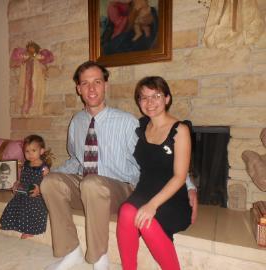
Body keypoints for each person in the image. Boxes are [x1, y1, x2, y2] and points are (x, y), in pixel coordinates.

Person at [40, 61, 198, 270]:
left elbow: (155, 159)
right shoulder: (76, 122)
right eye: (85, 83)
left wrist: (189, 186)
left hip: (121, 189)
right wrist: (47, 174)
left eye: (97, 82)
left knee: (92, 184)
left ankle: (99, 259)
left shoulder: (127, 122)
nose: (92, 88)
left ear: (106, 85)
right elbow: (76, 160)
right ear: (78, 89)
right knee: (50, 183)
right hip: (88, 188)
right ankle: (71, 251)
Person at [117, 76, 193, 270]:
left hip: (172, 198)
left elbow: (180, 177)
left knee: (146, 221)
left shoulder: (180, 130)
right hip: (144, 191)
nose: (149, 102)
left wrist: (152, 205)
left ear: (167, 98)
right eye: (144, 97)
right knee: (126, 211)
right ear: (139, 102)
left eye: (156, 95)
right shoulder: (141, 127)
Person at [0, 134, 52, 239]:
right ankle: (13, 224)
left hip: (36, 196)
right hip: (24, 192)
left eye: (33, 150)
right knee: (14, 204)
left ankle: (30, 230)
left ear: (41, 151)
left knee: (31, 207)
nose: (30, 154)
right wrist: (17, 184)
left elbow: (48, 184)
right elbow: (21, 179)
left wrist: (40, 190)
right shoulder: (26, 164)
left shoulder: (43, 168)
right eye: (27, 151)